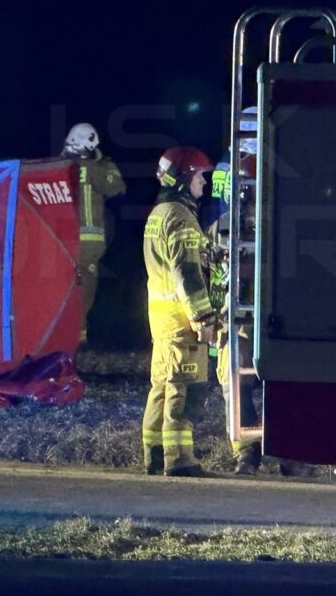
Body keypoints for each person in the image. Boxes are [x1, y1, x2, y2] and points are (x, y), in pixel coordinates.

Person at [142, 146, 216, 478]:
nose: (204, 183)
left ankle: (154, 454)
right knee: (184, 391)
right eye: (201, 176)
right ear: (185, 177)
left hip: (162, 321)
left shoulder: (158, 213)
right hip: (182, 322)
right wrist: (203, 318)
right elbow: (187, 273)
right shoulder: (182, 218)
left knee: (161, 387)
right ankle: (179, 459)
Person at [201, 108, 262, 475]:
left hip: (259, 304)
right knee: (235, 381)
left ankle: (278, 453)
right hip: (236, 305)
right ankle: (248, 452)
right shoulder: (222, 226)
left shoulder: (276, 228)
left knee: (253, 379)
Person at [60, 123, 126, 346]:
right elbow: (116, 187)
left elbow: (116, 187)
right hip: (82, 242)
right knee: (82, 288)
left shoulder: (64, 166)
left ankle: (74, 337)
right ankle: (74, 337)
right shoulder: (92, 167)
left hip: (70, 242)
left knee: (78, 289)